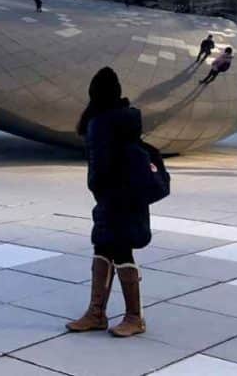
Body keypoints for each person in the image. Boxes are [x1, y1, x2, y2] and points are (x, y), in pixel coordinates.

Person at [67, 67, 152, 338]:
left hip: (114, 198)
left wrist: (97, 188)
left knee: (121, 251)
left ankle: (134, 317)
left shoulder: (101, 123)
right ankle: (96, 314)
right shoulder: (126, 119)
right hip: (125, 197)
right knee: (103, 248)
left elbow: (100, 167)